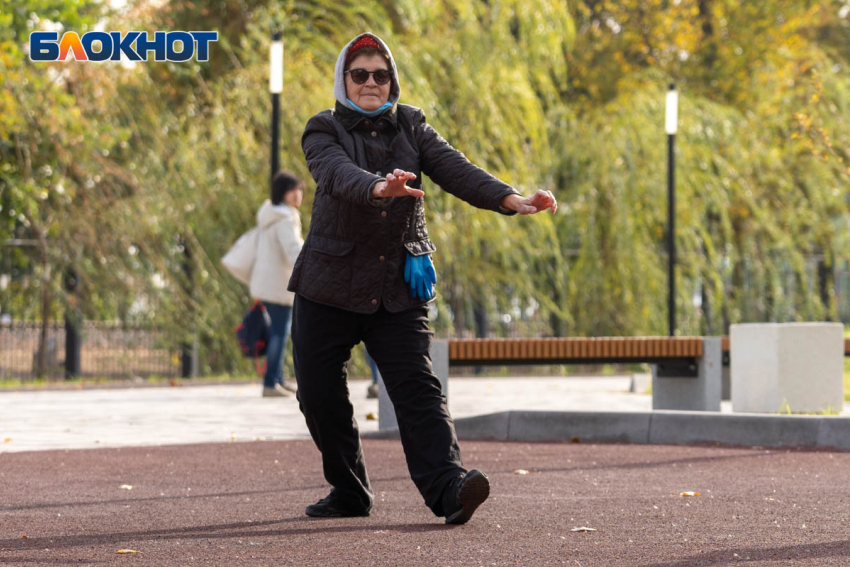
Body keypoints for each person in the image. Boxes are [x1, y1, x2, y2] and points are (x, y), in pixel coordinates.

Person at [287, 33, 556, 524]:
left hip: (396, 285)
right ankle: (349, 492)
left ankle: (450, 489)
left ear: (392, 81)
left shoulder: (411, 124)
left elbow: (455, 168)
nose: (371, 82)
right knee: (318, 394)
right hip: (328, 284)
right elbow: (335, 174)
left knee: (417, 387)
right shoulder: (321, 128)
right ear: (344, 80)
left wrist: (508, 198)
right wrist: (377, 187)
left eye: (380, 74)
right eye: (359, 74)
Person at [250, 170, 305, 398]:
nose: (298, 194)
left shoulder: (271, 215)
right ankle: (271, 382)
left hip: (268, 283)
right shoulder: (284, 218)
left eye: (300, 190)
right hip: (279, 285)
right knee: (279, 334)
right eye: (293, 190)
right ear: (283, 193)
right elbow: (293, 250)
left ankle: (277, 379)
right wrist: (310, 269)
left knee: (279, 332)